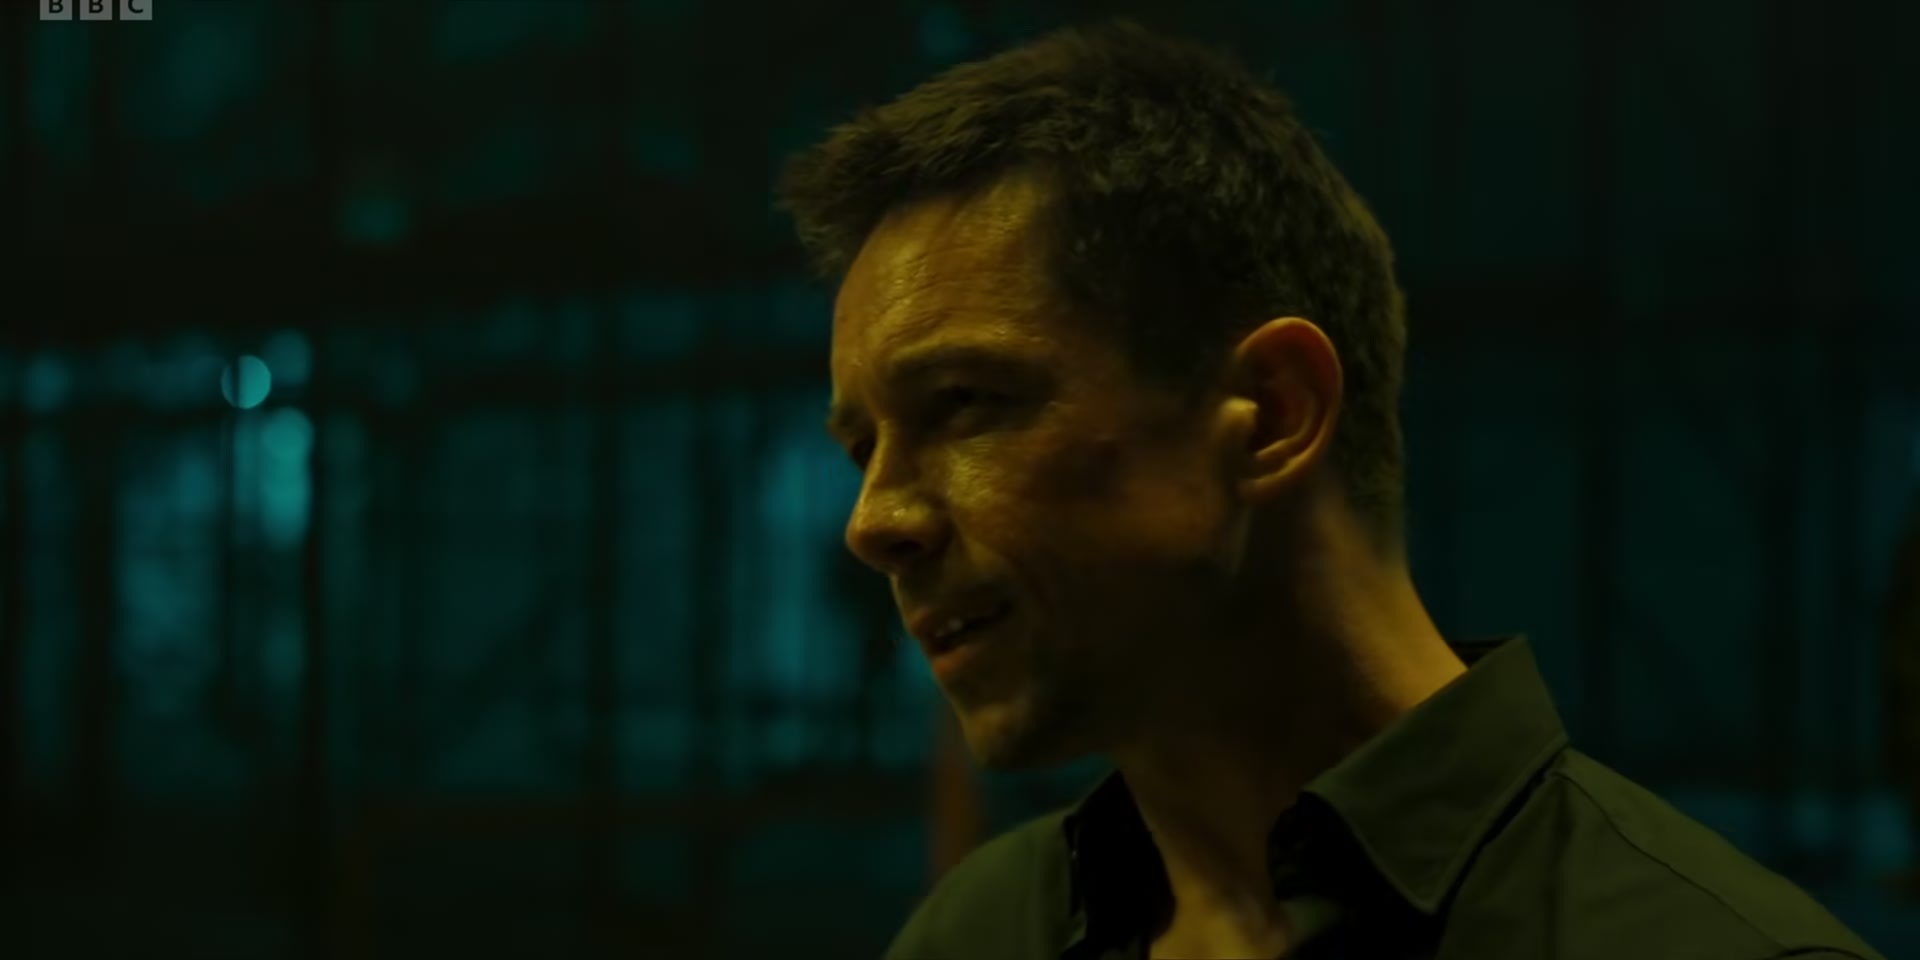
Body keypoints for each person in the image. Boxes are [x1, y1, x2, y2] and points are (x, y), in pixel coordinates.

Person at [778, 19, 1885, 960]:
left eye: (963, 403)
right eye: (861, 448)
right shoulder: (981, 932)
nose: (873, 521)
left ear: (1274, 412)